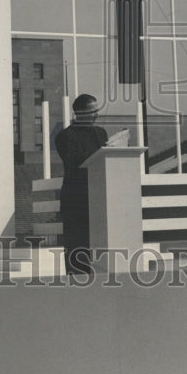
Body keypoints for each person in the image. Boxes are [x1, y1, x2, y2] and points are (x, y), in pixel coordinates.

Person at [55, 92, 108, 275]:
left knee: (98, 251)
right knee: (76, 249)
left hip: (98, 199)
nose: (96, 114)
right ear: (79, 113)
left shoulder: (101, 133)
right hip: (76, 201)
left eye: (97, 110)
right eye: (92, 111)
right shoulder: (65, 136)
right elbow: (74, 162)